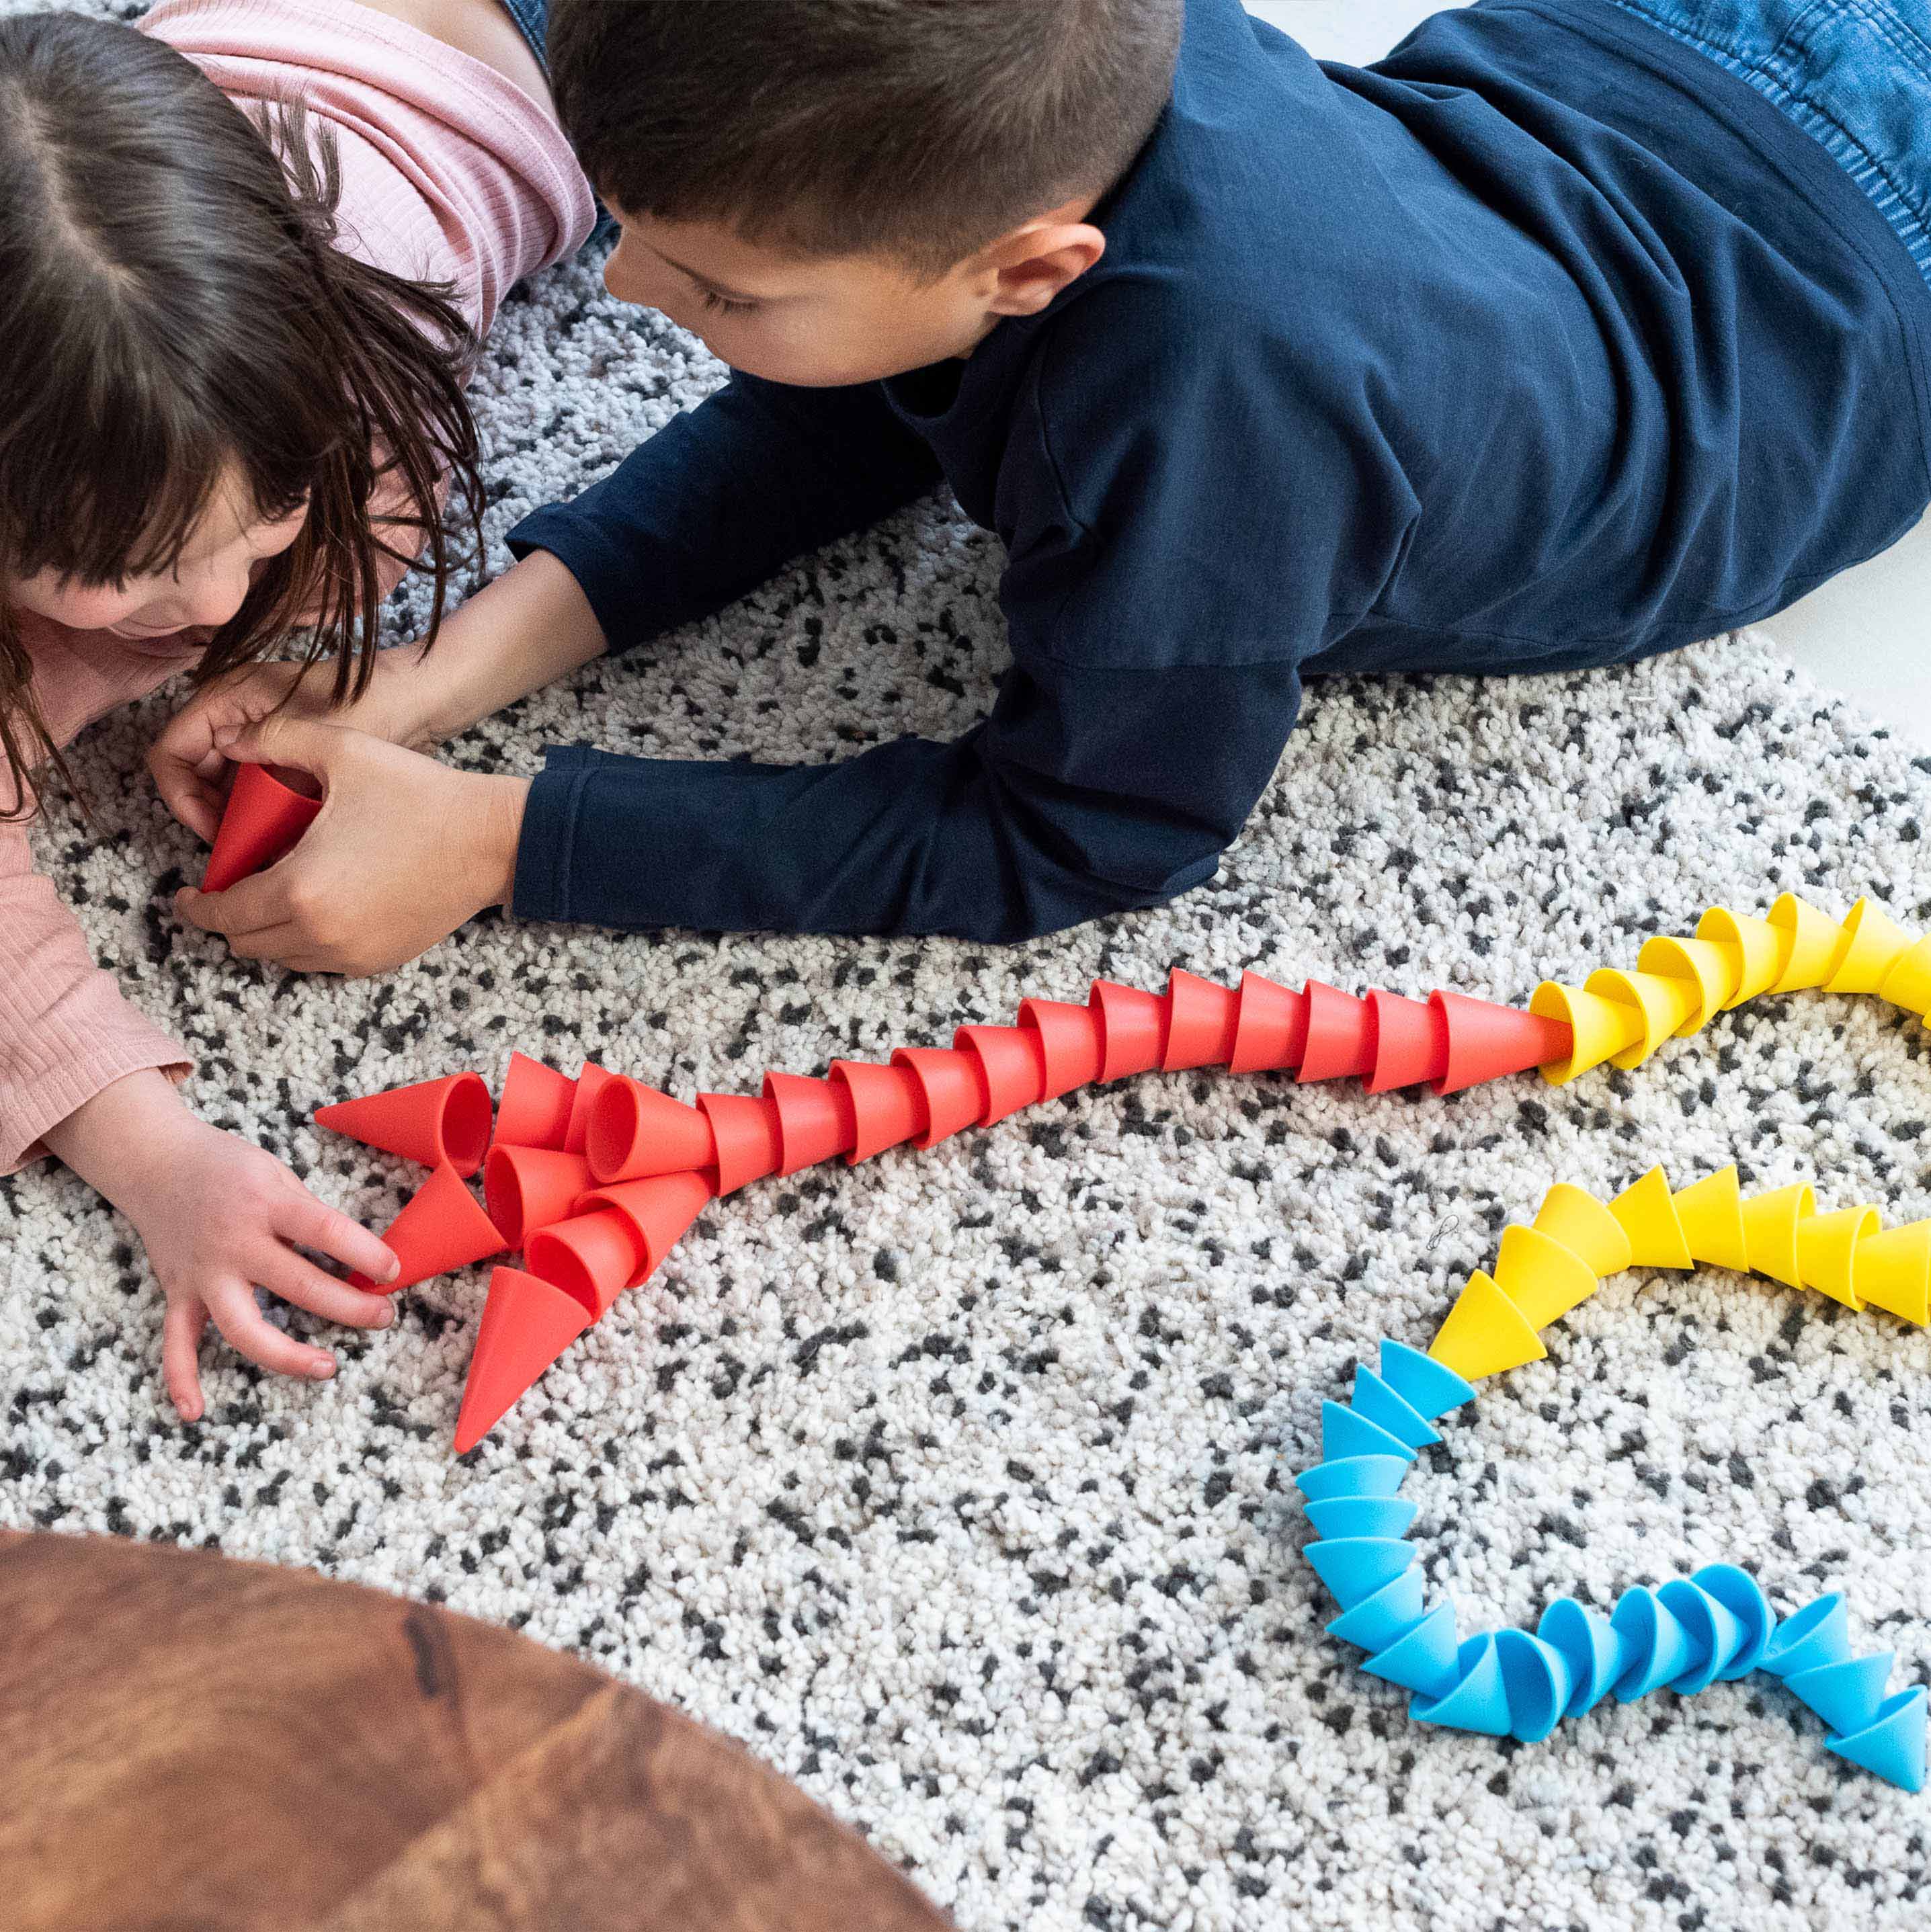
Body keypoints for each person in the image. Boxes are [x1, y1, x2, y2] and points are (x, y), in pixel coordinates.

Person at [168, 0, 1929, 949]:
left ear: (1030, 272)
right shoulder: (1066, 88)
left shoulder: (1193, 431)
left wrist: (506, 837)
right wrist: (429, 680)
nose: (624, 300)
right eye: (628, 235)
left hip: (1860, 296)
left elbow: (1086, 827)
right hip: (1666, 55)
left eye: (713, 288)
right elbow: (847, 401)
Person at [0, 1, 594, 1418]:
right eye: (118, 573)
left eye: (265, 513)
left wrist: (102, 657)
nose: (211, 600)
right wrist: (160, 1155)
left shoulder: (370, 393)